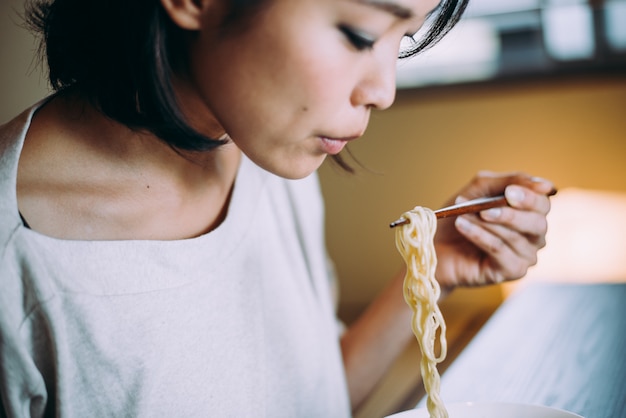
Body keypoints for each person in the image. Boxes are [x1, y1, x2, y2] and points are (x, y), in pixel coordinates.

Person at [0, 0, 555, 416]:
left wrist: (431, 267)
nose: (384, 90)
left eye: (402, 39)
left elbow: (309, 398)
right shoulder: (20, 258)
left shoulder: (264, 148)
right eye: (359, 34)